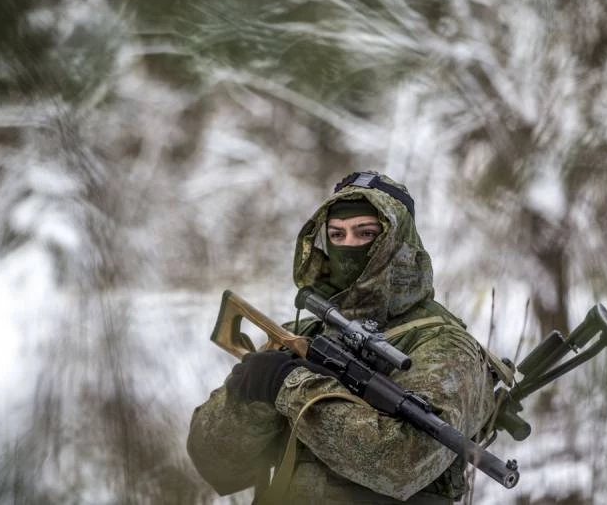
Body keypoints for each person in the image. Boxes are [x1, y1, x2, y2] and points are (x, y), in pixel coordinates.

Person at [187, 171, 497, 504]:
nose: (348, 246)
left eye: (365, 233)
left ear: (399, 243)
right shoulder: (306, 333)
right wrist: (251, 390)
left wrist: (291, 386)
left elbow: (401, 466)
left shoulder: (443, 344)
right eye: (337, 234)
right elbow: (217, 468)